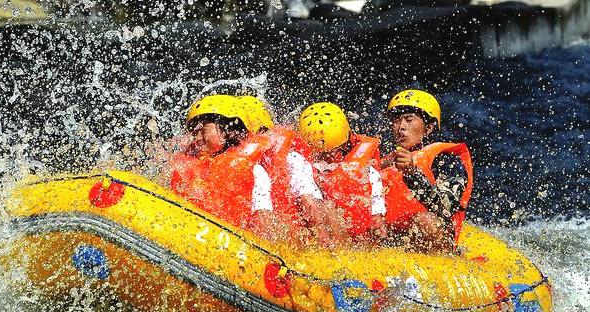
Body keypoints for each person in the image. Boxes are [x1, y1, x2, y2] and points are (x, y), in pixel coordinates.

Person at [170, 95, 322, 244]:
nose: (196, 138)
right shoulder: (200, 164)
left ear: (227, 129)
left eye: (203, 131)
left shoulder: (254, 169)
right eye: (194, 132)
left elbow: (265, 223)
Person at [381, 89, 473, 253]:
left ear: (429, 128)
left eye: (409, 119)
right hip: (391, 239)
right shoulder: (384, 161)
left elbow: (445, 207)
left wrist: (412, 174)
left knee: (426, 221)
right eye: (397, 120)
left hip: (430, 240)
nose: (401, 126)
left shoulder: (446, 159)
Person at [297, 102, 387, 246]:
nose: (325, 159)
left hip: (355, 232)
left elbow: (376, 191)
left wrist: (377, 217)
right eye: (320, 154)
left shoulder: (363, 165)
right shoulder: (300, 161)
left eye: (332, 153)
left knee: (329, 208)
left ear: (346, 144)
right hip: (320, 226)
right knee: (323, 207)